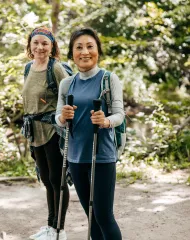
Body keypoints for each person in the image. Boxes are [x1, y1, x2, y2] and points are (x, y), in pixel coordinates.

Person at [55, 27, 123, 240]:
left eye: (90, 46)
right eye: (79, 47)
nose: (85, 52)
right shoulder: (67, 83)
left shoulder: (109, 79)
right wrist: (63, 116)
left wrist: (105, 121)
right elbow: (58, 117)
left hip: (101, 155)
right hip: (75, 157)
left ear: (98, 51)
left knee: (104, 215)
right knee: (91, 215)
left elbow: (119, 114)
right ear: (72, 53)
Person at [22, 26, 70, 240]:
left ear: (52, 47)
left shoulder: (56, 68)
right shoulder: (27, 68)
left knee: (57, 179)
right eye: (36, 42)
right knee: (46, 180)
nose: (40, 47)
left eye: (45, 43)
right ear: (30, 45)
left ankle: (60, 230)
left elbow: (70, 97)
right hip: (34, 132)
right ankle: (50, 227)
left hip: (53, 130)